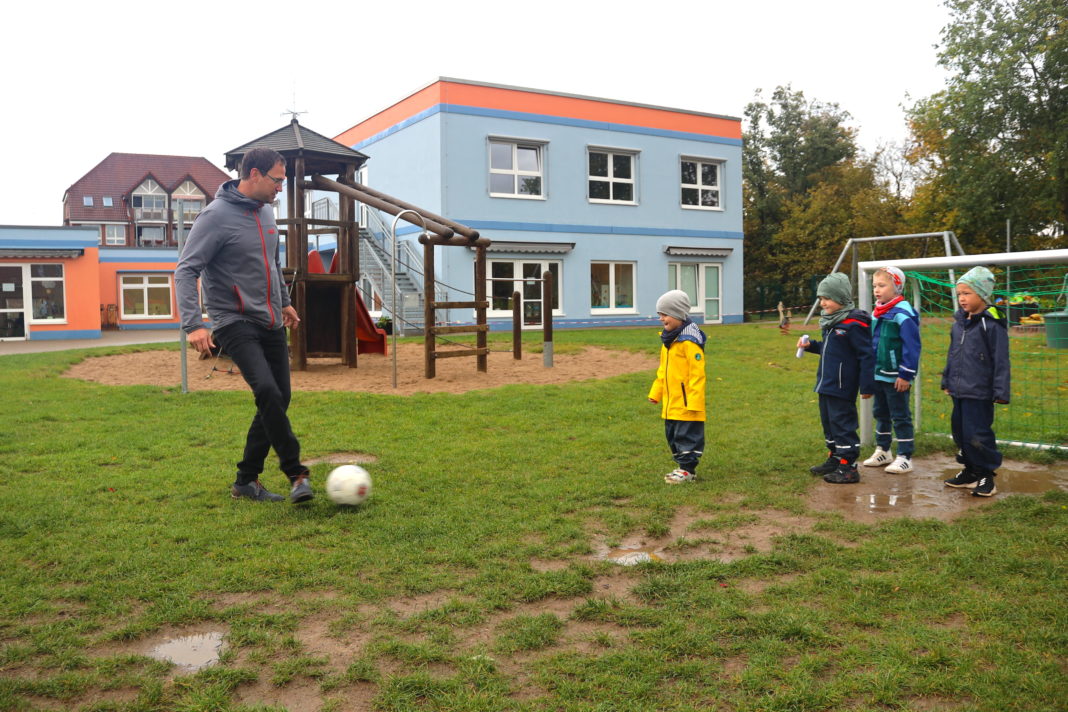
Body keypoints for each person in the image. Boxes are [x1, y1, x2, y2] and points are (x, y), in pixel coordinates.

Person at [174, 147, 313, 504]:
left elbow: (272, 263)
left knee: (280, 396)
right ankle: (297, 473)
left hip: (269, 320)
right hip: (233, 320)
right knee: (267, 391)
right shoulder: (215, 217)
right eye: (277, 180)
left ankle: (245, 481)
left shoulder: (266, 213)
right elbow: (186, 270)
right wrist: (193, 324)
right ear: (253, 174)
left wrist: (284, 302)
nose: (281, 188)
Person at [798, 273, 875, 484]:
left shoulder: (854, 324)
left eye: (827, 298)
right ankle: (835, 458)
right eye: (820, 298)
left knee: (843, 425)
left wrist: (867, 385)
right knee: (829, 424)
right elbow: (830, 349)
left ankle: (848, 467)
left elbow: (866, 356)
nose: (822, 303)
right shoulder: (831, 323)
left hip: (843, 386)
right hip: (826, 384)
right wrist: (811, 346)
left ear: (841, 298)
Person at [941, 266, 1010, 497]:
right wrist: (947, 380)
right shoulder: (958, 323)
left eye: (967, 293)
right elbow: (952, 353)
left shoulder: (991, 323)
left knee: (978, 435)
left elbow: (1001, 360)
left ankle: (986, 476)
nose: (962, 298)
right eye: (959, 293)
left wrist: (1001, 390)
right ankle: (970, 471)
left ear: (982, 294)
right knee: (960, 433)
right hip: (959, 390)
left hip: (980, 392)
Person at [862, 266, 921, 474]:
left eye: (882, 285)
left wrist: (905, 373)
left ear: (896, 287)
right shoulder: (877, 311)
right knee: (881, 413)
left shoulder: (903, 313)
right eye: (874, 286)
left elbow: (912, 346)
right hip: (878, 373)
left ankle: (905, 456)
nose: (877, 290)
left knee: (900, 415)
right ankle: (883, 450)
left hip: (896, 377)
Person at [648, 289, 707, 484]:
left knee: (686, 437)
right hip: (671, 402)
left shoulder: (689, 341)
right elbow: (662, 370)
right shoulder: (669, 340)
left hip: (687, 402)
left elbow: (697, 374)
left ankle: (687, 470)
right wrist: (656, 392)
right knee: (673, 436)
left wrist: (695, 401)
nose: (661, 318)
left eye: (664, 314)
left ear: (678, 314)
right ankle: (682, 467)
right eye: (659, 315)